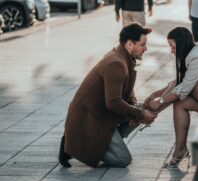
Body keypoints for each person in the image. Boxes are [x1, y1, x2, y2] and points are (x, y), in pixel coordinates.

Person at [59, 23, 157, 168]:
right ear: (130, 44)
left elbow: (129, 94)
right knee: (123, 160)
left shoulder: (123, 58)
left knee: (141, 108)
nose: (146, 49)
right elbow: (113, 103)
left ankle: (90, 143)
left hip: (103, 116)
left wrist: (136, 113)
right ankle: (78, 147)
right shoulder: (115, 63)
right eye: (143, 45)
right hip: (91, 120)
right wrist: (141, 115)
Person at [144, 27, 198, 167]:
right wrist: (156, 95)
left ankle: (180, 149)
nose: (171, 51)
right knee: (180, 104)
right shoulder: (196, 50)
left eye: (173, 47)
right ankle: (180, 150)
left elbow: (184, 87)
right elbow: (178, 82)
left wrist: (159, 102)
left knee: (190, 86)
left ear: (182, 44)